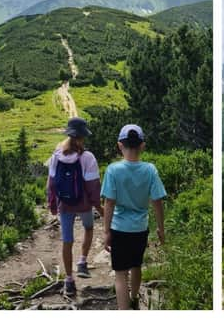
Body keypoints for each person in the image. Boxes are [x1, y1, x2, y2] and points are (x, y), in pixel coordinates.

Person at [101, 124, 166, 310]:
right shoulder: (150, 170)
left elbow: (109, 203)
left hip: (119, 228)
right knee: (136, 265)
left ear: (120, 145)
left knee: (120, 274)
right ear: (142, 145)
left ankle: (124, 310)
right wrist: (161, 228)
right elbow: (157, 202)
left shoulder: (113, 170)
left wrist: (106, 231)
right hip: (140, 228)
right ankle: (135, 297)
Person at [47, 117, 103, 297]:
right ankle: (82, 261)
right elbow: (93, 186)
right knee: (88, 228)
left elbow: (51, 183)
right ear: (82, 137)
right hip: (84, 204)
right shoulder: (88, 157)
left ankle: (69, 281)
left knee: (67, 241)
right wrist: (99, 207)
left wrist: (53, 204)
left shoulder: (57, 155)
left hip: (65, 204)